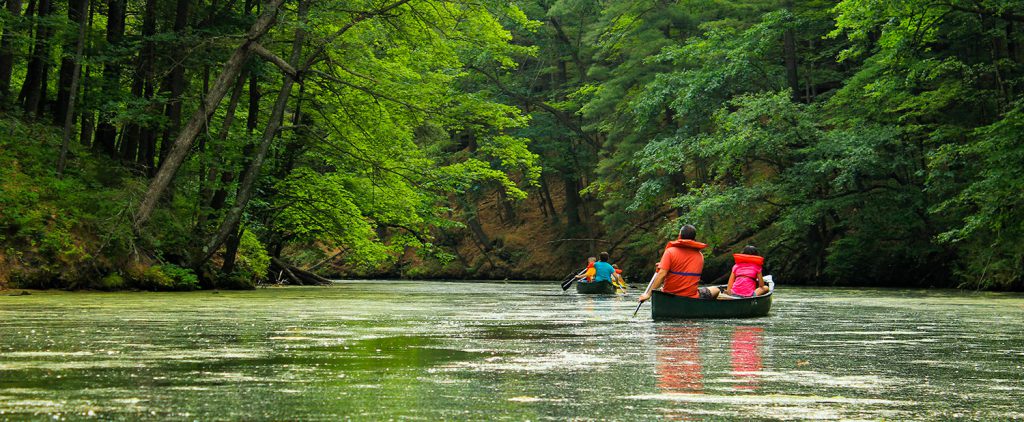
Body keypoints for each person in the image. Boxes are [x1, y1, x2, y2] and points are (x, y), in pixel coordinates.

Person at [638, 224, 719, 302]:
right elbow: (685, 269)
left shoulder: (670, 252)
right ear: (694, 238)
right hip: (691, 297)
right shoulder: (700, 255)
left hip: (669, 294)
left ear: (679, 236)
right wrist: (665, 266)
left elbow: (662, 275)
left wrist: (648, 295)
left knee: (660, 289)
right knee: (716, 290)